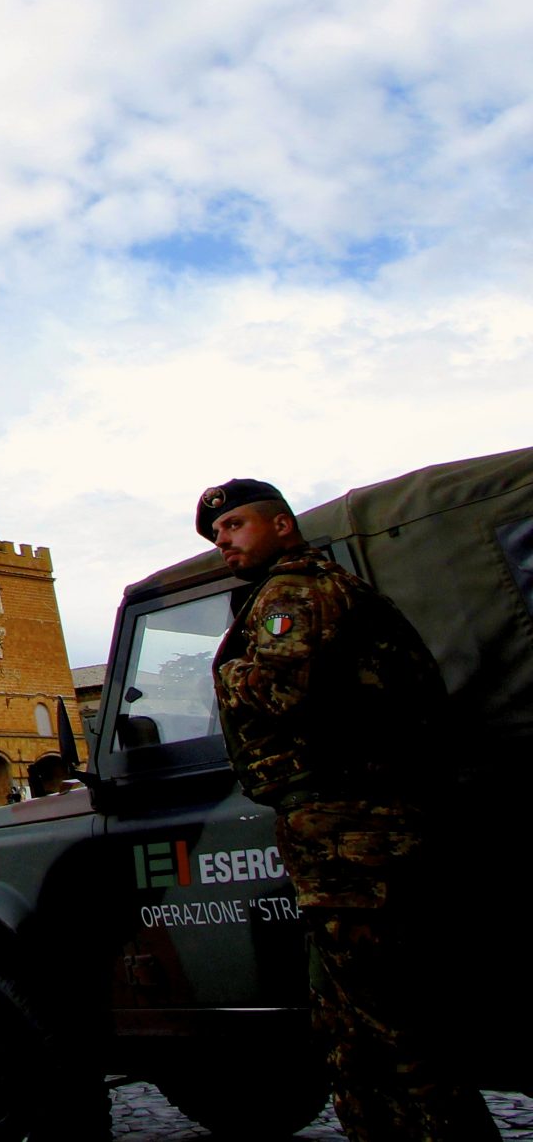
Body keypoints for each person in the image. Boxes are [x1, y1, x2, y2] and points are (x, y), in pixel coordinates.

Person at [198, 478, 495, 1141]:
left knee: (395, 1030)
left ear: (281, 526)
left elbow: (282, 693)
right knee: (349, 1032)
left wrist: (223, 672)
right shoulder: (304, 590)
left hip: (357, 837)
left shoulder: (295, 592)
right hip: (341, 838)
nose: (224, 541)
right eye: (217, 535)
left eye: (236, 526)